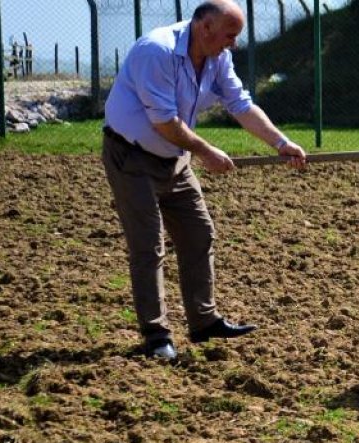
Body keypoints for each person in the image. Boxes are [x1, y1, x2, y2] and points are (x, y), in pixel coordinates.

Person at [102, 0, 306, 360]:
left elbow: (240, 104)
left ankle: (204, 321)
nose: (234, 43)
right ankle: (156, 335)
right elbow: (164, 121)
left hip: (174, 159)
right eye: (231, 34)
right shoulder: (157, 51)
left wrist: (281, 142)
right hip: (131, 156)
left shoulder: (217, 56)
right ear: (205, 27)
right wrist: (206, 151)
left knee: (198, 232)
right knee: (148, 247)